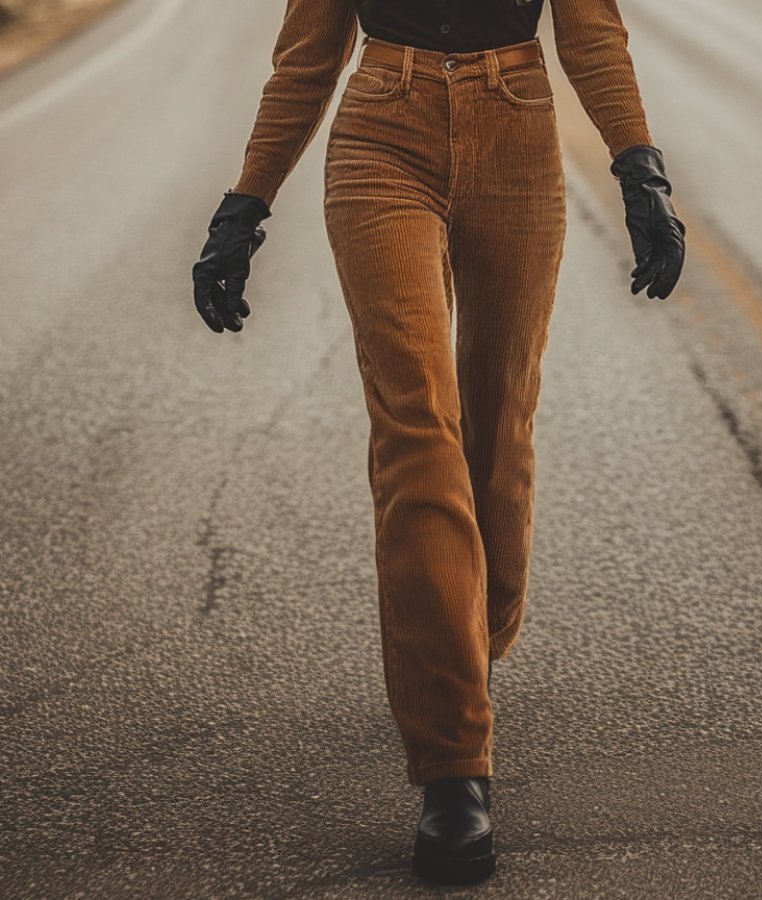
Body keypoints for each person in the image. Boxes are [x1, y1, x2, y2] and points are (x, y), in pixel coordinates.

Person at [192, 0, 685, 885]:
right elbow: (305, 57)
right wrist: (245, 203)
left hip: (519, 130)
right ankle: (454, 769)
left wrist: (638, 165)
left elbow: (590, 30)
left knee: (499, 426)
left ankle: (467, 642)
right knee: (417, 427)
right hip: (382, 131)